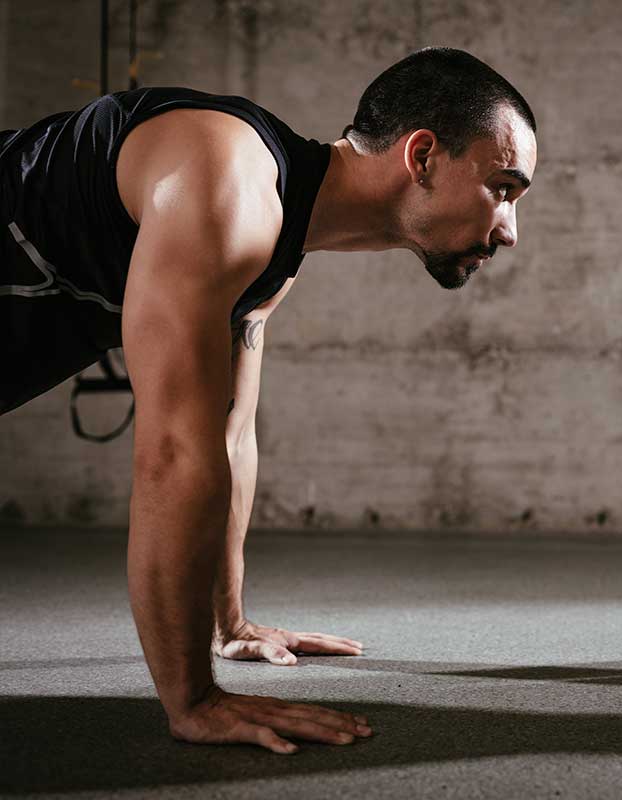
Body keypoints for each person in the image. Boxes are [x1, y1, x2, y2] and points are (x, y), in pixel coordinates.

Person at [0, 47, 537, 752]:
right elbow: (172, 454)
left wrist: (230, 624)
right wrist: (191, 700)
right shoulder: (227, 180)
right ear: (424, 156)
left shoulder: (270, 246)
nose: (509, 229)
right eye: (503, 188)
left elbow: (227, 438)